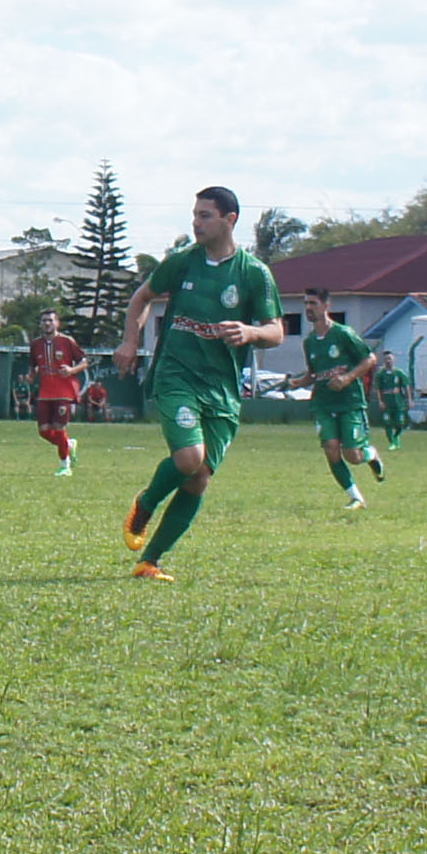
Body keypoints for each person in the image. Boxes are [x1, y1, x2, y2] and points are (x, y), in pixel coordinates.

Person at [114, 187, 286, 580]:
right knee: (189, 458)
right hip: (177, 376)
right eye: (195, 214)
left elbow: (277, 332)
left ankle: (150, 561)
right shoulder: (183, 263)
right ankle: (146, 503)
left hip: (222, 388)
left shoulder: (253, 273)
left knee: (200, 477)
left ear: (230, 219)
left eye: (205, 215)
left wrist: (250, 332)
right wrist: (130, 340)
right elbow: (142, 298)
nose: (196, 222)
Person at [296, 289, 385, 507]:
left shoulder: (343, 334)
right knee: (331, 449)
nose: (309, 308)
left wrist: (347, 378)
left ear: (327, 306)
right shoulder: (309, 342)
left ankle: (370, 454)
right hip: (323, 404)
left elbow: (370, 359)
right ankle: (356, 497)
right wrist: (300, 382)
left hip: (349, 402)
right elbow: (314, 374)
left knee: (352, 455)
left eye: (313, 303)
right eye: (306, 303)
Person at [29, 315, 87, 475]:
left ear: (57, 323)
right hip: (45, 392)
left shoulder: (67, 341)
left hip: (64, 392)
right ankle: (68, 445)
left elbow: (84, 361)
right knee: (44, 431)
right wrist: (31, 376)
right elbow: (33, 365)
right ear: (40, 324)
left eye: (50, 320)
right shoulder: (36, 344)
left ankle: (65, 466)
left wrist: (71, 370)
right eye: (44, 320)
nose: (47, 323)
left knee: (59, 429)